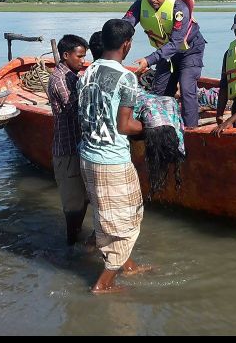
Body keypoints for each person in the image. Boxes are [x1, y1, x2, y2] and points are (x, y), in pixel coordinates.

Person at [78, 19, 150, 294]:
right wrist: (151, 128)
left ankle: (127, 266)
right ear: (126, 44)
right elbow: (125, 126)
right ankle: (103, 284)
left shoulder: (87, 71)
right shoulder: (126, 78)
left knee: (105, 215)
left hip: (88, 156)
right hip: (112, 160)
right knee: (128, 220)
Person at [122, 0, 206, 128]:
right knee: (159, 92)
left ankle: (190, 132)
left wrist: (148, 60)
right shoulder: (141, 4)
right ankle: (161, 128)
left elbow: (176, 42)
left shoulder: (179, 7)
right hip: (165, 53)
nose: (153, 0)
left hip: (189, 51)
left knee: (187, 89)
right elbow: (125, 25)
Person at [47, 34, 89, 246]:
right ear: (65, 55)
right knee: (74, 205)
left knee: (82, 200)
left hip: (76, 147)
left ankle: (75, 241)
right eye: (79, 56)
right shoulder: (61, 79)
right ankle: (71, 246)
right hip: (67, 150)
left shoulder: (72, 76)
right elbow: (75, 110)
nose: (83, 61)